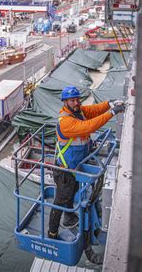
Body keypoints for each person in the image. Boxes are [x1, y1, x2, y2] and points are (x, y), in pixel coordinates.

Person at [47, 86, 125, 261]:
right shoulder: (65, 122)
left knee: (71, 194)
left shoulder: (78, 111)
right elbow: (88, 127)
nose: (76, 102)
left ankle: (68, 217)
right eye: (72, 100)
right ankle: (51, 233)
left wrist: (109, 103)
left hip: (75, 166)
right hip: (65, 170)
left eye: (77, 99)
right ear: (65, 102)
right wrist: (112, 112)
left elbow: (93, 110)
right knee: (61, 200)